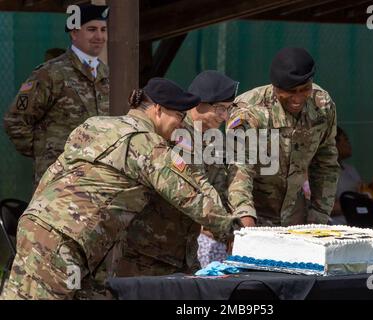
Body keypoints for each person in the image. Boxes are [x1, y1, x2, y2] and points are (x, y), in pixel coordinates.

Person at [0, 78, 245, 300]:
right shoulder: (148, 144)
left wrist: (38, 215)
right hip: (68, 239)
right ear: (158, 110)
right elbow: (190, 195)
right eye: (179, 116)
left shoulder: (95, 125)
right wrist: (236, 231)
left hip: (40, 226)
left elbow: (54, 174)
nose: (180, 124)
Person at [116, 71, 256, 277]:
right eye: (219, 108)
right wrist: (230, 229)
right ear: (199, 104)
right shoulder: (173, 131)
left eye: (228, 110)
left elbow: (222, 184)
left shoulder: (213, 139)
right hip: (148, 247)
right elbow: (196, 185)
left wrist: (241, 215)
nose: (225, 116)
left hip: (184, 250)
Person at [226, 47, 340, 226]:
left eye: (305, 89)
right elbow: (239, 170)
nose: (298, 98)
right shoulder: (249, 111)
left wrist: (319, 215)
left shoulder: (322, 106)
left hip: (296, 215)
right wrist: (244, 224)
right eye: (290, 91)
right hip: (254, 214)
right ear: (276, 87)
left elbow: (325, 162)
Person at [3, 4, 110, 189]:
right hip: (59, 183)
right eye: (91, 29)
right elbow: (15, 121)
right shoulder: (50, 73)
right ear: (74, 33)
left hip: (99, 179)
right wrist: (47, 154)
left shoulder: (109, 74)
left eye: (103, 30)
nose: (99, 36)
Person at [331, 126, 373, 228]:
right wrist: (356, 201)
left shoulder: (350, 169)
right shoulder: (323, 174)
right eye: (346, 139)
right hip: (341, 227)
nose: (349, 143)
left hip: (363, 223)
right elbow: (327, 209)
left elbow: (362, 194)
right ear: (334, 144)